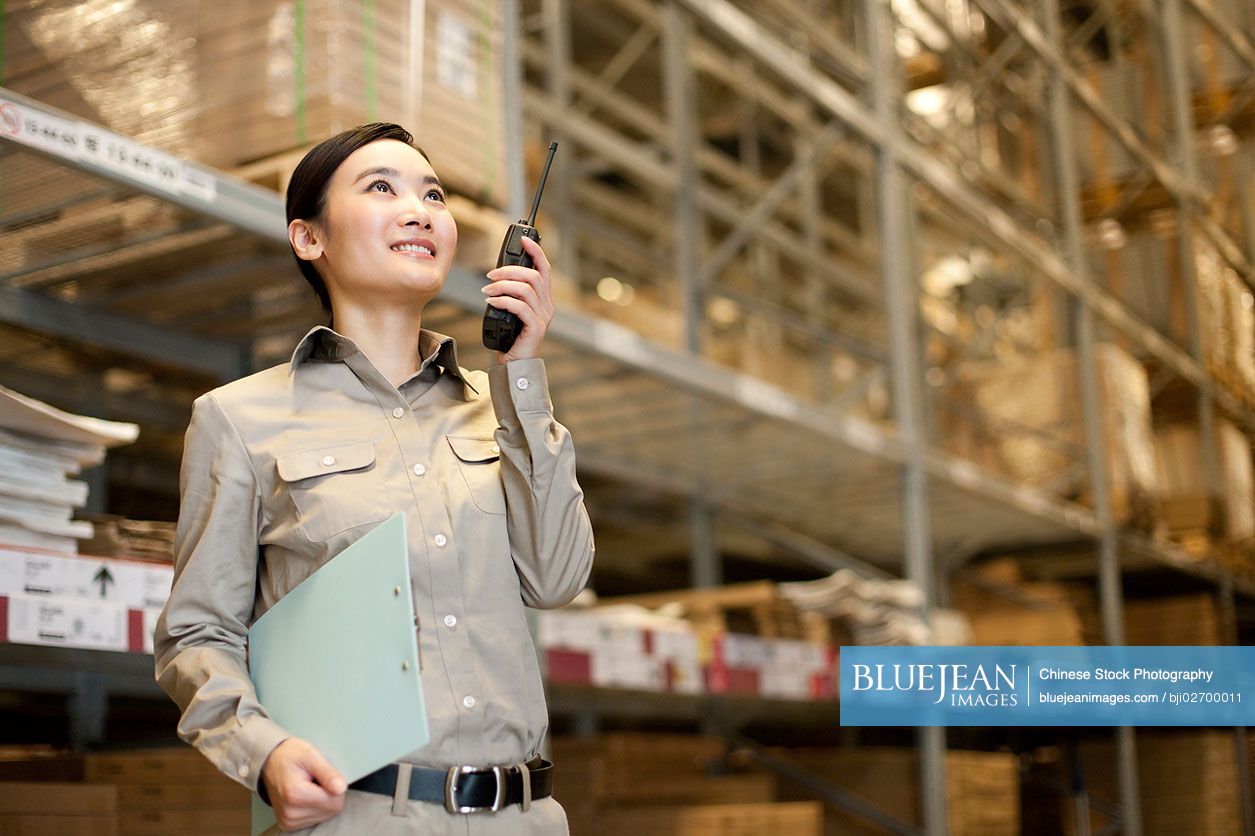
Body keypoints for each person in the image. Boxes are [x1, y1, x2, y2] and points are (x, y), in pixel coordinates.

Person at [153, 122, 595, 834]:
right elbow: (196, 634)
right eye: (381, 188)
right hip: (357, 816)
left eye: (434, 195)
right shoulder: (239, 419)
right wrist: (263, 752)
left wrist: (522, 373)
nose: (419, 210)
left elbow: (558, 578)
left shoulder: (502, 410)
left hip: (525, 818)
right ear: (308, 238)